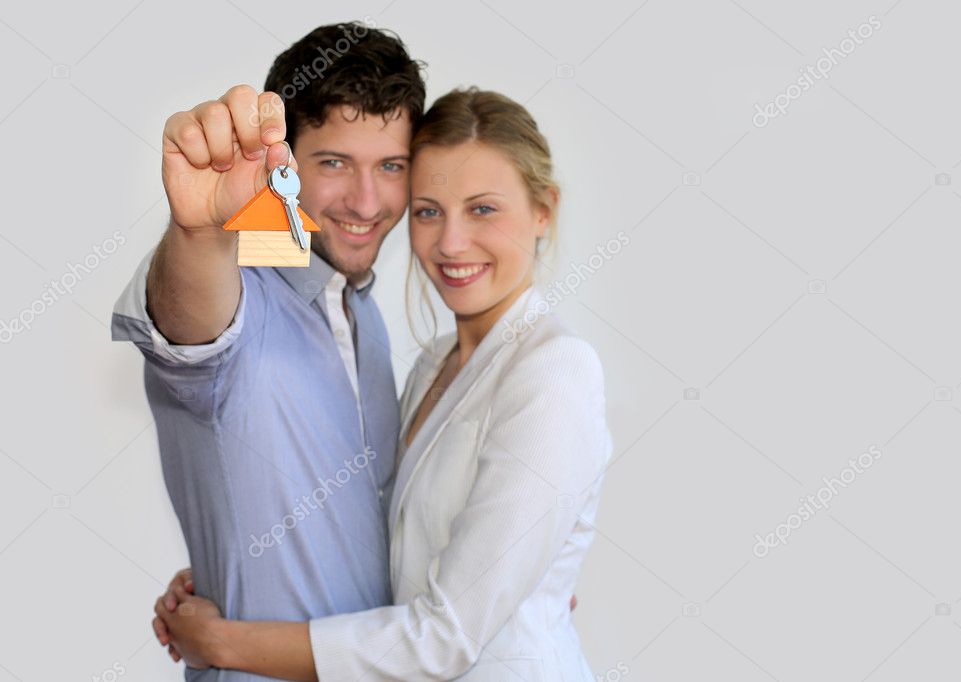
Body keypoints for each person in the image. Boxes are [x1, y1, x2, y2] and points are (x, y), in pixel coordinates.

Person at [155, 87, 613, 681]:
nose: (451, 243)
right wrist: (236, 573)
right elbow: (394, 546)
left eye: (483, 209)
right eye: (428, 211)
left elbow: (444, 638)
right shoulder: (435, 365)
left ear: (543, 210)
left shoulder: (554, 369)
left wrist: (223, 642)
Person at [112, 22, 425, 681]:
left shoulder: (362, 315)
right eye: (334, 163)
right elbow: (191, 322)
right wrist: (195, 230)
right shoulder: (237, 291)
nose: (366, 202)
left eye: (390, 166)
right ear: (284, 165)